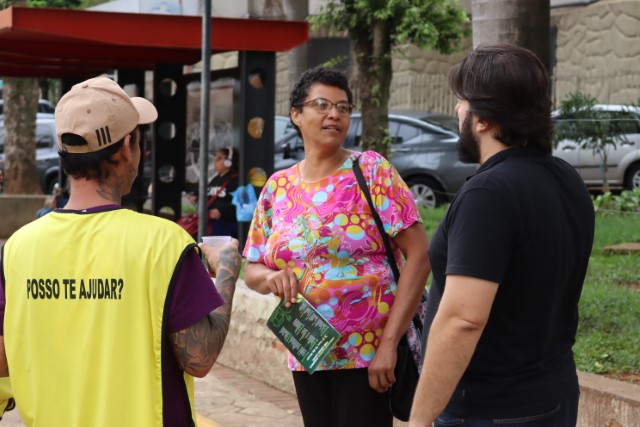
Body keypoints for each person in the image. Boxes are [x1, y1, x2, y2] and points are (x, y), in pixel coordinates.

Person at [0, 76, 241, 427]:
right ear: (127, 146)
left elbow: (4, 361)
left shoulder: (17, 249)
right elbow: (199, 357)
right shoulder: (165, 243)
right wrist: (228, 271)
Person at [409, 44, 595, 427]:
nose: (457, 110)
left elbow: (463, 320)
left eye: (461, 102)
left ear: (482, 119)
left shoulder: (488, 194)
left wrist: (419, 420)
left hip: (490, 409)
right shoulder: (566, 178)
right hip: (554, 397)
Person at [243, 66, 431, 427]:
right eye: (322, 105)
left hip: (368, 353)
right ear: (296, 115)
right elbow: (251, 268)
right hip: (307, 349)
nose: (334, 114)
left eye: (343, 107)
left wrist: (388, 344)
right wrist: (270, 278)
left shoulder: (371, 170)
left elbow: (420, 255)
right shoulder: (277, 188)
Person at [190, 147, 239, 238]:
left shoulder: (236, 180)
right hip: (209, 222)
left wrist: (222, 211)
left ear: (228, 161)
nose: (215, 161)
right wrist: (196, 195)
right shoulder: (215, 179)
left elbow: (239, 204)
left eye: (219, 158)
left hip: (225, 225)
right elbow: (206, 191)